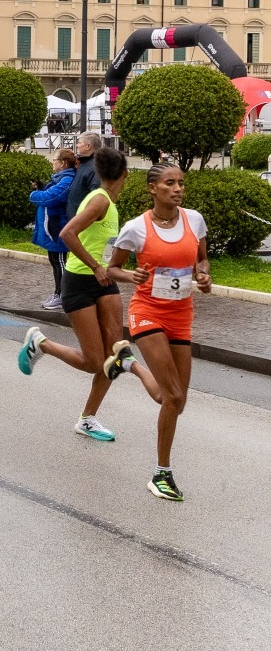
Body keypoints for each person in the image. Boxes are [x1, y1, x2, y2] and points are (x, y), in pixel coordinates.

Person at [17, 147, 159, 444]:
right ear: (125, 175)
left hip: (104, 282)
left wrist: (128, 275)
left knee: (114, 352)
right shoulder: (99, 201)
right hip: (79, 281)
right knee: (95, 361)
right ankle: (41, 343)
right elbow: (68, 234)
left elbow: (106, 253)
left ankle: (87, 419)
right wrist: (95, 266)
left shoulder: (110, 203)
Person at [105, 163, 211, 501]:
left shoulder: (194, 220)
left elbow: (202, 260)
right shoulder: (135, 228)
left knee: (174, 400)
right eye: (169, 183)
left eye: (181, 182)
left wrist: (205, 276)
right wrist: (131, 277)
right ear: (153, 188)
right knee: (174, 397)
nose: (178, 189)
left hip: (181, 315)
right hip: (147, 312)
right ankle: (161, 473)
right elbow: (112, 268)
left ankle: (128, 365)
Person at [29, 148, 77, 310]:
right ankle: (58, 293)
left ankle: (64, 295)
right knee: (55, 261)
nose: (52, 163)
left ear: (63, 164)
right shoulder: (61, 178)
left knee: (60, 261)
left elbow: (51, 197)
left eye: (55, 160)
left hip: (58, 228)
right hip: (53, 228)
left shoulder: (67, 179)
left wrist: (34, 195)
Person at [65, 131, 103, 216]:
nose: (76, 145)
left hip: (82, 223)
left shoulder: (95, 167)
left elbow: (95, 200)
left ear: (88, 146)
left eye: (79, 142)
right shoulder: (83, 163)